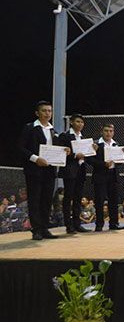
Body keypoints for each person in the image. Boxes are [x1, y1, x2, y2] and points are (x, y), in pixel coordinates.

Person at [19, 100, 69, 240]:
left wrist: (65, 150)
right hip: (34, 170)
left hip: (49, 171)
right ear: (37, 113)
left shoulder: (53, 130)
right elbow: (21, 148)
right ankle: (36, 230)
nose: (47, 113)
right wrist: (35, 159)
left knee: (47, 200)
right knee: (35, 199)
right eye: (44, 111)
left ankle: (45, 228)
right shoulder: (30, 128)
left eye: (49, 111)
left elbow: (57, 148)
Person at [88, 123, 124, 232]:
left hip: (113, 175)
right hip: (100, 176)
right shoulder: (96, 144)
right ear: (102, 131)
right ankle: (99, 224)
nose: (108, 133)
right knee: (99, 201)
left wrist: (122, 155)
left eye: (110, 131)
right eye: (106, 131)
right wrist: (103, 164)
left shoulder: (116, 144)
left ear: (113, 132)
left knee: (114, 200)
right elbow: (90, 160)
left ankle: (114, 223)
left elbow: (119, 162)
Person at [58, 113, 93, 233]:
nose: (80, 124)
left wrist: (92, 151)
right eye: (77, 122)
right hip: (69, 171)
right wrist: (74, 155)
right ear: (72, 122)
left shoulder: (83, 139)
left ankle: (77, 224)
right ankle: (68, 225)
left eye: (82, 122)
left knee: (78, 198)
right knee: (68, 197)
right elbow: (61, 152)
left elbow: (87, 155)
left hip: (80, 171)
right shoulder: (65, 136)